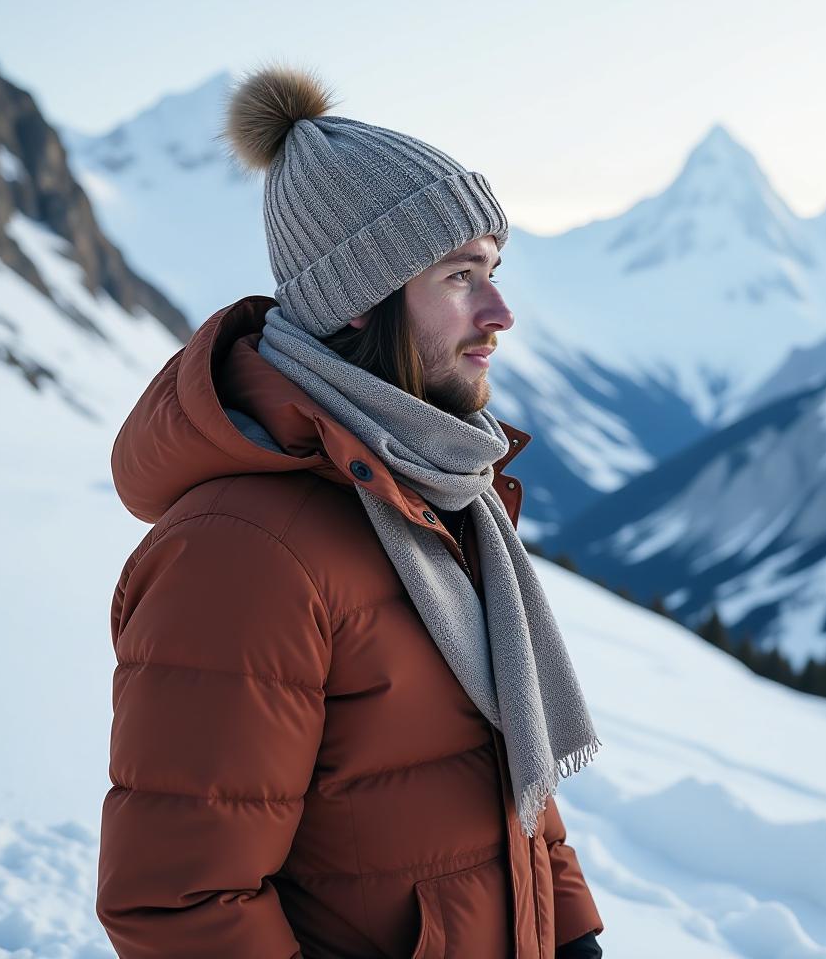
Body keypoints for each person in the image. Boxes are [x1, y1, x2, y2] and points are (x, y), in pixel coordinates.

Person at [95, 62, 605, 959]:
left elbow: (503, 767)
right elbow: (180, 902)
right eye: (461, 277)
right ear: (363, 296)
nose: (501, 312)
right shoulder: (242, 554)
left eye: (494, 270)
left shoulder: (433, 494)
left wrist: (568, 936)